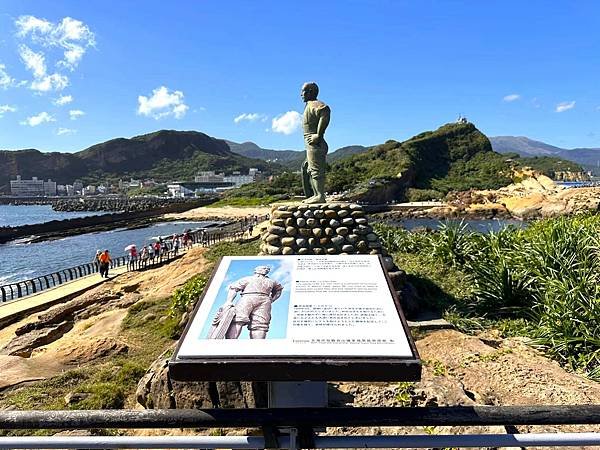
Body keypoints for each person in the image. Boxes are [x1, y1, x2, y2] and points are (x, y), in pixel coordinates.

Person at [208, 265, 283, 340]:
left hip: (264, 301)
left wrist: (272, 299)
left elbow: (279, 289)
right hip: (247, 298)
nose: (266, 269)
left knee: (260, 325)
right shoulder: (248, 279)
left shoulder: (272, 282)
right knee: (238, 320)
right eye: (264, 268)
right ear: (257, 270)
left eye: (267, 269)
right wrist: (229, 301)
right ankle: (230, 343)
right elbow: (234, 288)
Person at [300, 81, 331, 204]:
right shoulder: (308, 105)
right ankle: (315, 194)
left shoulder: (315, 104)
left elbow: (325, 111)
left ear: (311, 92)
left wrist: (319, 135)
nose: (301, 94)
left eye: (303, 91)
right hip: (311, 145)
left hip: (315, 145)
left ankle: (320, 196)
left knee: (316, 170)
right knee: (307, 168)